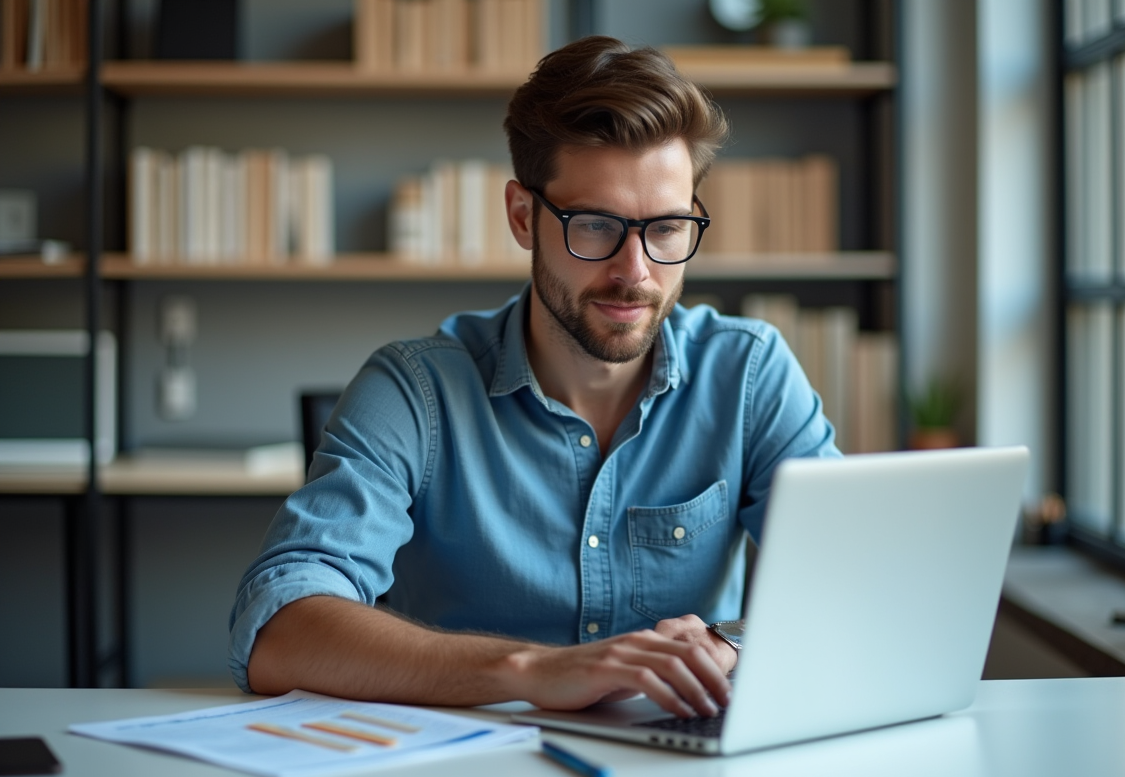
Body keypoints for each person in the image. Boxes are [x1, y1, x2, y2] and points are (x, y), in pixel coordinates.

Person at [229, 35, 838, 720]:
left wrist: (730, 652)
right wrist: (531, 670)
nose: (635, 271)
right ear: (524, 216)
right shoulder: (414, 391)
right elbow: (278, 627)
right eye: (597, 226)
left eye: (666, 228)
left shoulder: (749, 374)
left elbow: (853, 583)